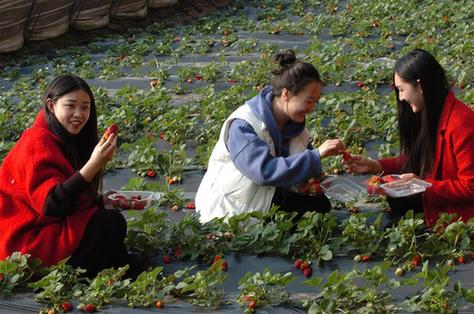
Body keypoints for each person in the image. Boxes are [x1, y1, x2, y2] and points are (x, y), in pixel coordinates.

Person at [0, 75, 133, 277]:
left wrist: (101, 201)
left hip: (43, 228)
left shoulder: (63, 138)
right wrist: (93, 164)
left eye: (85, 107)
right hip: (22, 242)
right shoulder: (36, 141)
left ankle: (114, 267)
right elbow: (52, 205)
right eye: (70, 106)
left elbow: (67, 194)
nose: (78, 114)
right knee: (108, 224)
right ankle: (84, 272)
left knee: (108, 225)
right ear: (51, 105)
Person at [196, 50, 346, 223]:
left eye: (316, 102)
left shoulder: (296, 128)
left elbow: (300, 166)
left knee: (320, 205)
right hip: (232, 207)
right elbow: (264, 172)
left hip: (267, 195)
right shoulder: (244, 125)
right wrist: (317, 155)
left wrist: (310, 181)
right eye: (308, 100)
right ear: (286, 94)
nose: (312, 108)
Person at [345, 49, 474, 226]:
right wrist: (376, 166)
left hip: (460, 214)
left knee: (401, 200)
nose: (401, 97)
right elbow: (423, 158)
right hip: (436, 198)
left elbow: (471, 187)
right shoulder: (431, 112)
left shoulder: (461, 123)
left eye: (402, 89)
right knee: (397, 197)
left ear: (420, 86)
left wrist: (423, 186)